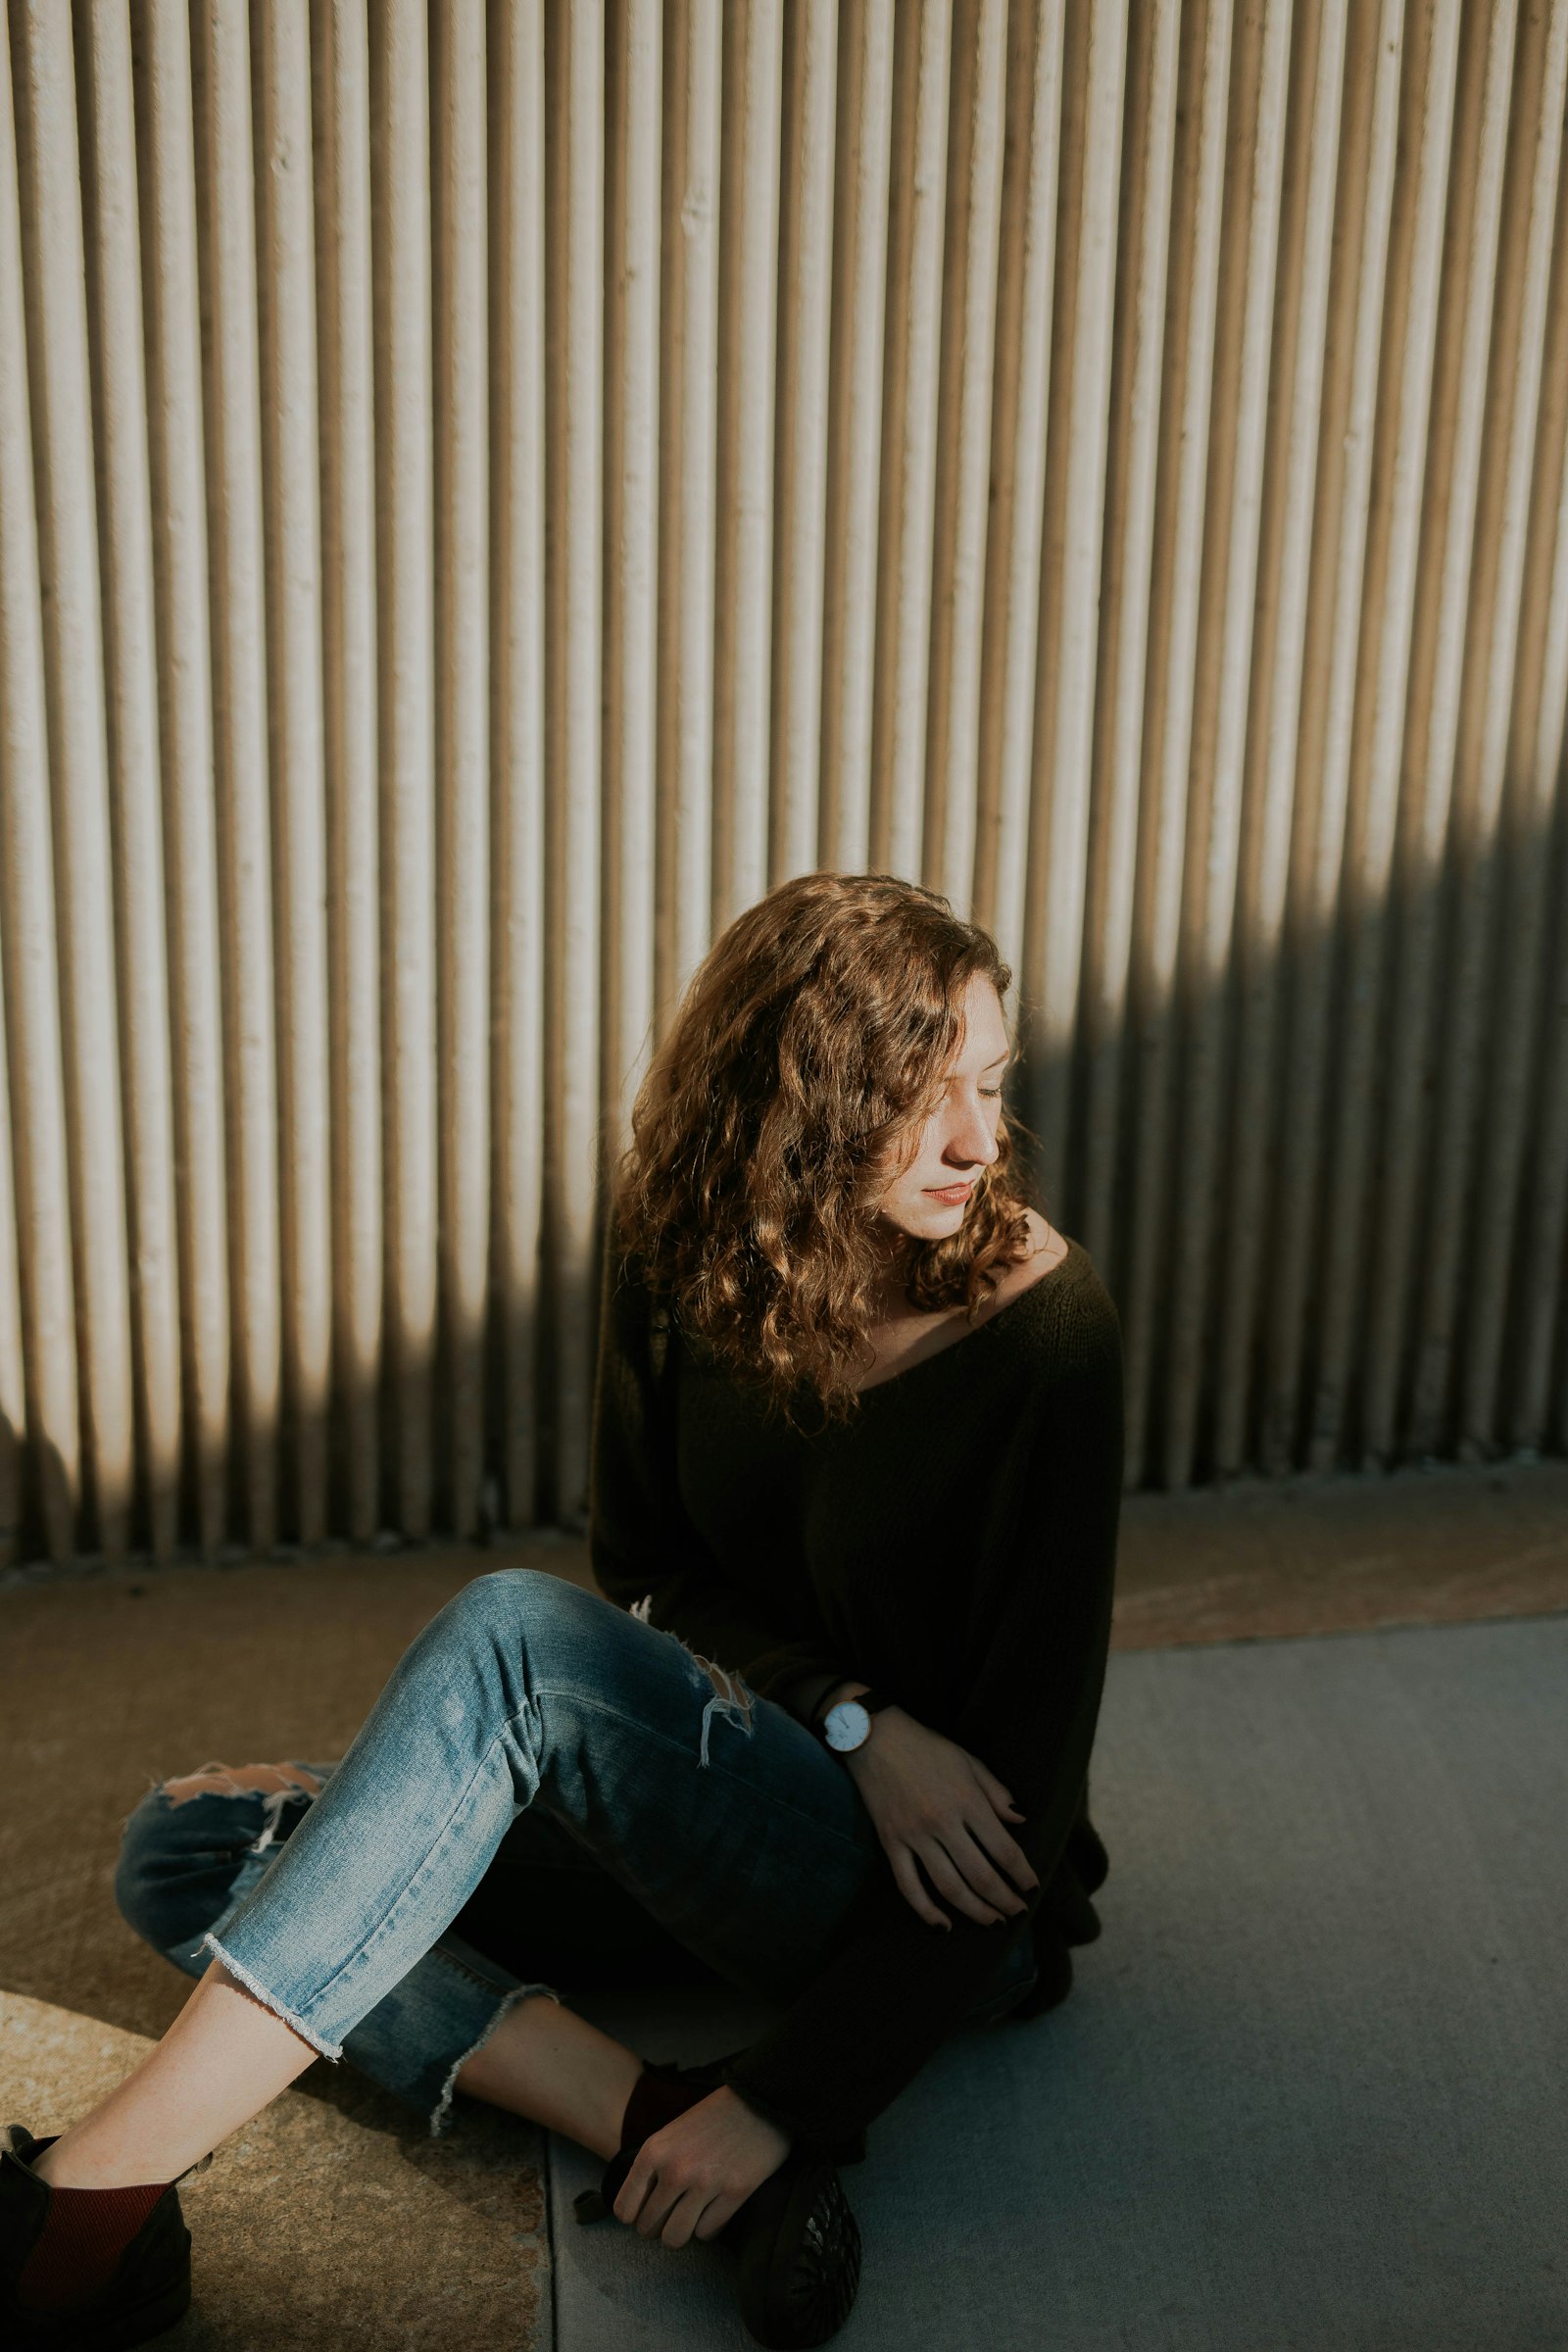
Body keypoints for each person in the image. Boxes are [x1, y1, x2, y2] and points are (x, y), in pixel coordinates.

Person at [1, 870, 1123, 2351]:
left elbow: (1025, 1824)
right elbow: (652, 1569)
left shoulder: (1047, 1332)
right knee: (186, 1853)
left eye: (991, 1082)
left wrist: (793, 2099)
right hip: (719, 1808)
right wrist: (852, 1718)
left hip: (924, 1906)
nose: (982, 1141)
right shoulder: (689, 1247)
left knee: (512, 1640)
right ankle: (643, 2109)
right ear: (795, 1101)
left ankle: (86, 2206)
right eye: (926, 1098)